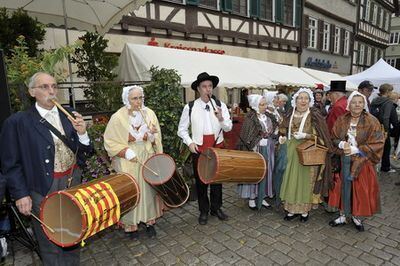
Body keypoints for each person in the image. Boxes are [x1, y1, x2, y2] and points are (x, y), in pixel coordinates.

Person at [0, 72, 93, 265]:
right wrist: (20, 194)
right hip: (42, 188)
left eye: (54, 86)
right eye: (45, 87)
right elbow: (11, 164)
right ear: (32, 91)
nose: (51, 91)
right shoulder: (18, 122)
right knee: (50, 240)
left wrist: (83, 134)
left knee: (73, 232)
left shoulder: (69, 114)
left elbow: (84, 152)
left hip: (72, 183)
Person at [103, 85, 163, 239]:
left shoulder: (149, 113)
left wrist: (151, 137)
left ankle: (150, 222)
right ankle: (131, 226)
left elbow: (157, 137)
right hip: (127, 159)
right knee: (132, 190)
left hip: (146, 154)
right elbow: (109, 141)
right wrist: (125, 151)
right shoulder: (118, 117)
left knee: (148, 190)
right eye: (134, 98)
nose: (138, 101)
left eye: (140, 98)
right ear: (127, 100)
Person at [177, 72, 232, 225]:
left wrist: (221, 118)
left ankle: (216, 208)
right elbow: (181, 130)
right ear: (199, 89)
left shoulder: (220, 105)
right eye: (204, 87)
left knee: (217, 180)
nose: (208, 89)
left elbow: (228, 128)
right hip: (199, 150)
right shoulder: (190, 107)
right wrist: (189, 143)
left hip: (217, 148)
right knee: (201, 181)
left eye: (210, 86)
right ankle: (203, 211)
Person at [328, 91, 384, 231]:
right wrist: (341, 144)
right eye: (354, 102)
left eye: (360, 102)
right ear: (349, 104)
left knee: (359, 190)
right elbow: (333, 137)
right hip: (344, 160)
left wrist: (358, 150)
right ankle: (343, 214)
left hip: (362, 162)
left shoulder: (372, 120)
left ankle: (356, 216)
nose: (357, 105)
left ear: (364, 104)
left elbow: (378, 142)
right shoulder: (342, 119)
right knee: (343, 187)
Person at [278, 88, 332, 222]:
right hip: (291, 151)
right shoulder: (289, 114)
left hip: (307, 153)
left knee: (305, 182)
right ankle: (291, 210)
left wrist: (306, 135)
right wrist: (282, 137)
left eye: (306, 98)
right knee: (291, 179)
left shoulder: (314, 115)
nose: (303, 101)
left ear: (310, 101)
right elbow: (283, 129)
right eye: (300, 98)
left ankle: (304, 211)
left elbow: (322, 137)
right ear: (295, 100)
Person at [237, 94, 278, 210]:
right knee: (256, 172)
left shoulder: (269, 117)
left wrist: (275, 136)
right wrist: (257, 142)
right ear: (255, 105)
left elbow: (273, 131)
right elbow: (246, 137)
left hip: (268, 149)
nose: (265, 106)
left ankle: (262, 195)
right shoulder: (250, 119)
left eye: (265, 104)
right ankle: (251, 197)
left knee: (267, 172)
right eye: (262, 104)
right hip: (256, 150)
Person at [370, 84, 398, 173]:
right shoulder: (388, 102)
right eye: (391, 91)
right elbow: (386, 117)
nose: (391, 93)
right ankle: (385, 167)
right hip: (382, 129)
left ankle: (372, 166)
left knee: (374, 147)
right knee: (386, 148)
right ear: (387, 92)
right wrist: (386, 130)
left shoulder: (374, 100)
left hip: (373, 127)